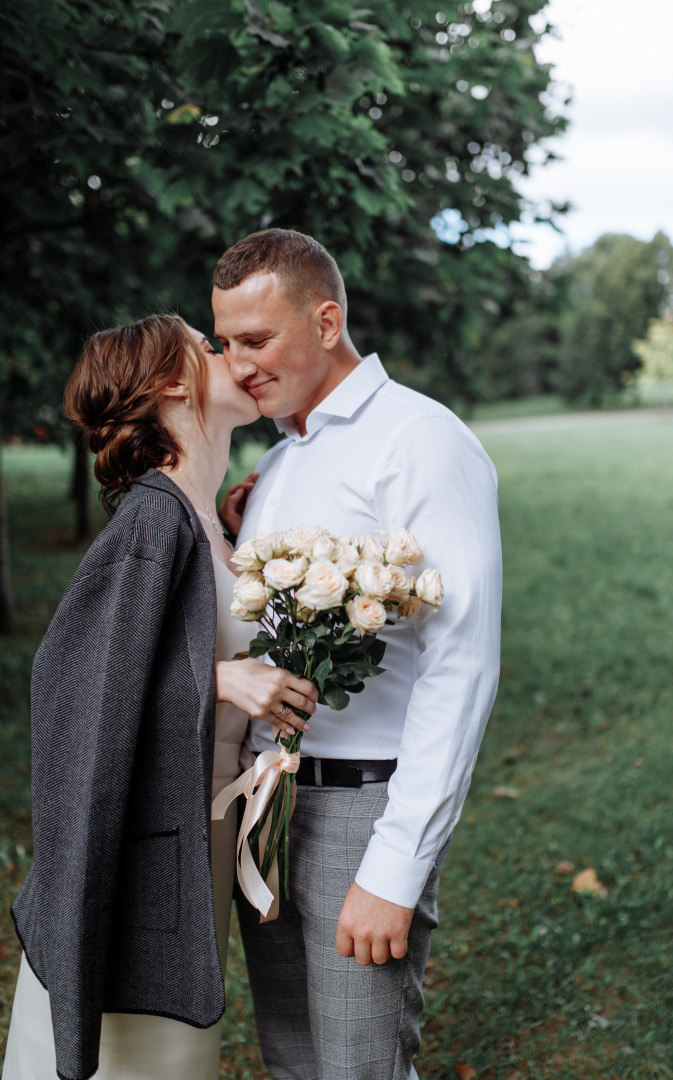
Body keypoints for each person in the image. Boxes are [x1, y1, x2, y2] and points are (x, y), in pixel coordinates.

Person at [213, 229, 503, 1080]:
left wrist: (397, 863)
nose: (236, 364)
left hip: (361, 810)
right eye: (225, 343)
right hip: (270, 804)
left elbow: (462, 662)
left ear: (327, 320)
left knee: (358, 1069)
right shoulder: (277, 458)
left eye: (255, 340)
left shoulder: (419, 439)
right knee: (293, 1058)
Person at [2, 314, 318, 1080]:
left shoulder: (202, 519)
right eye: (210, 347)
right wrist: (215, 683)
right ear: (175, 383)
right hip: (143, 848)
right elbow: (65, 684)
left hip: (190, 834)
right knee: (140, 1060)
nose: (231, 357)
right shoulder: (152, 518)